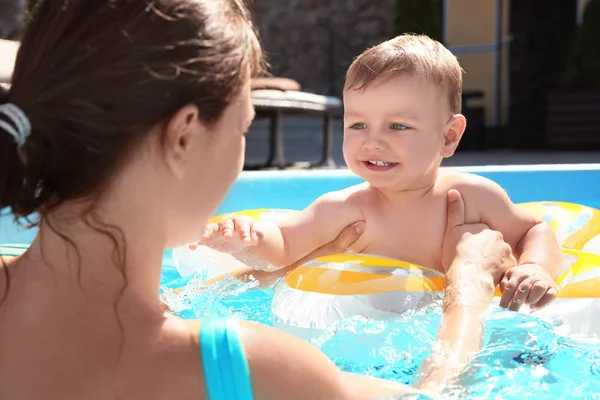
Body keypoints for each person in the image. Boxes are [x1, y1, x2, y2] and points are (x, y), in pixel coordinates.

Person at [0, 1, 515, 398]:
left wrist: (279, 268)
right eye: (244, 127)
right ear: (184, 137)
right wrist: (467, 284)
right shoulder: (252, 369)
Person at [198, 34, 564, 312]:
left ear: (448, 136)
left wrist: (534, 268)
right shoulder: (346, 209)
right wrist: (248, 238)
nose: (373, 142)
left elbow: (535, 229)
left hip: (461, 312)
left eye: (398, 126)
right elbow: (284, 247)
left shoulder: (473, 196)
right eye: (358, 125)